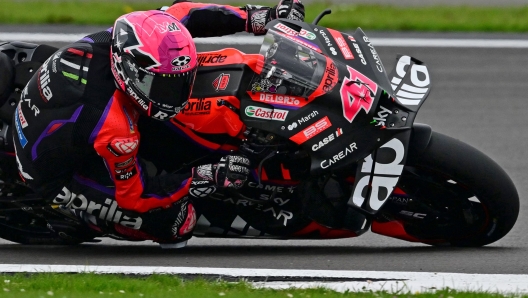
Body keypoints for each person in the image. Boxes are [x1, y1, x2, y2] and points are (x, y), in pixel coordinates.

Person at [12, 0, 305, 246]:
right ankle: (92, 219)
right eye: (164, 86)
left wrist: (257, 17)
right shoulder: (114, 129)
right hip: (55, 176)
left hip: (64, 104)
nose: (176, 94)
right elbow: (136, 195)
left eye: (180, 82)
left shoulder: (137, 32)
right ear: (128, 70)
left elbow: (187, 13)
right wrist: (201, 176)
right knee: (177, 225)